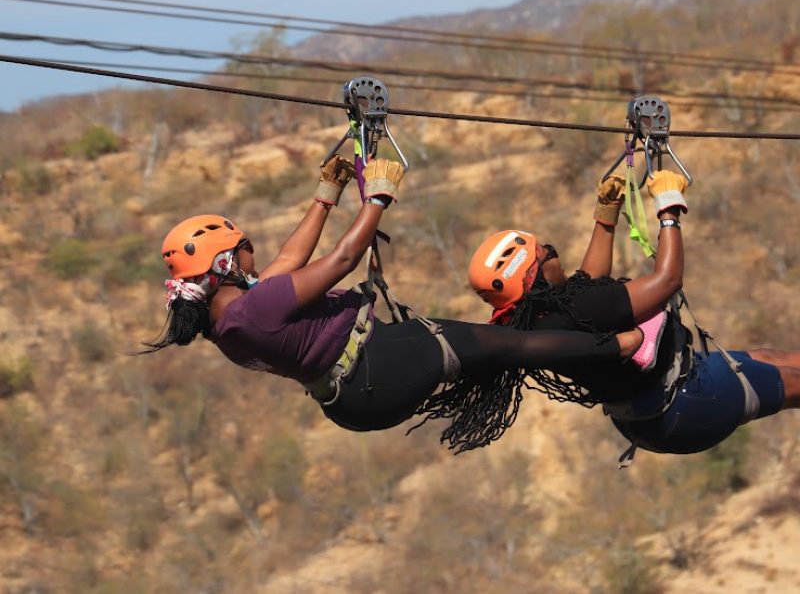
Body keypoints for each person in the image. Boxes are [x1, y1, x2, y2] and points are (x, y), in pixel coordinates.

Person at [145, 155, 645, 440]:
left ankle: (600, 350)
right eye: (244, 248)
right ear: (224, 263)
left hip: (352, 400)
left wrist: (327, 194)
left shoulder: (227, 320)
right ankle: (616, 348)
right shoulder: (256, 308)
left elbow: (288, 263)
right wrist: (377, 198)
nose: (255, 253)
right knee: (506, 345)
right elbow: (341, 260)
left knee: (493, 351)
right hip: (377, 367)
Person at [467, 168, 800, 461]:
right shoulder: (579, 311)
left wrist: (606, 215)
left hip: (655, 413)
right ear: (534, 277)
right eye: (548, 252)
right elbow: (667, 280)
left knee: (773, 358)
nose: (556, 254)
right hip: (691, 402)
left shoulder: (536, 321)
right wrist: (669, 207)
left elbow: (588, 283)